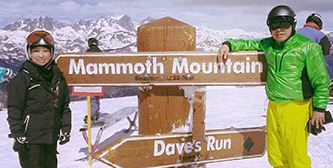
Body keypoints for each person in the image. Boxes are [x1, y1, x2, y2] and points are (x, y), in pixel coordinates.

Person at [217, 5, 330, 168]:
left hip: (296, 107)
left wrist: (319, 109)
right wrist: (228, 45)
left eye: (284, 24)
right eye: (274, 25)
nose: (279, 29)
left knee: (296, 155)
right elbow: (248, 44)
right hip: (273, 107)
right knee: (275, 154)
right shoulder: (268, 44)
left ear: (293, 24)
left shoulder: (307, 47)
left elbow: (321, 80)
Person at [7, 30, 72, 168]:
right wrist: (17, 132)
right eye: (36, 51)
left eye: (45, 51)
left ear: (52, 52)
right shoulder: (23, 78)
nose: (41, 55)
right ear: (29, 53)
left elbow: (64, 106)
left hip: (50, 137)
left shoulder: (58, 77)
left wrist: (65, 128)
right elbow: (14, 108)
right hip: (30, 140)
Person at [84, 37, 102, 123]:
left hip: (90, 78)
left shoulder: (87, 53)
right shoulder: (100, 52)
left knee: (92, 97)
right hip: (98, 78)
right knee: (96, 96)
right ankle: (95, 112)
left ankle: (92, 115)